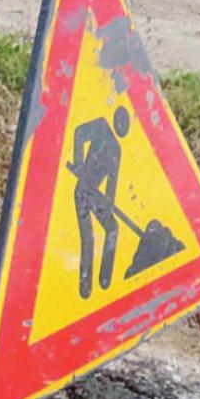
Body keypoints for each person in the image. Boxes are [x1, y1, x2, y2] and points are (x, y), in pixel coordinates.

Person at [67, 107, 130, 300]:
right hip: (83, 192)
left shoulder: (117, 150)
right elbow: (79, 133)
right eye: (120, 122)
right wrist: (78, 163)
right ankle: (85, 286)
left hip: (96, 195)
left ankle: (105, 280)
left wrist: (108, 203)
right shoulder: (101, 126)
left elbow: (112, 182)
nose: (122, 127)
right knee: (89, 237)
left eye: (125, 126)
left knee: (112, 228)